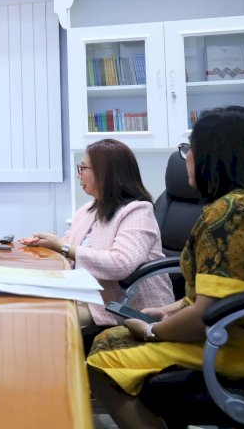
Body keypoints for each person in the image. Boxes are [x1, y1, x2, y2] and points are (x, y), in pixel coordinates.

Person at [87, 107, 244, 429]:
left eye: (190, 148)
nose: (186, 157)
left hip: (233, 344)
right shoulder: (235, 205)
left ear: (213, 155)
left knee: (102, 361)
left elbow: (212, 310)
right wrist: (171, 308)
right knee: (109, 339)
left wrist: (151, 330)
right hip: (226, 327)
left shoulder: (230, 212)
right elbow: (220, 288)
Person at [19, 139, 173, 348]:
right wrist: (46, 243)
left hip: (123, 306)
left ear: (105, 172)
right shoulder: (90, 208)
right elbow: (70, 245)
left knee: (45, 318)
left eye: (83, 168)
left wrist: (62, 247)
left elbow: (121, 264)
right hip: (86, 295)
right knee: (28, 303)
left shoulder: (138, 212)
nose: (79, 174)